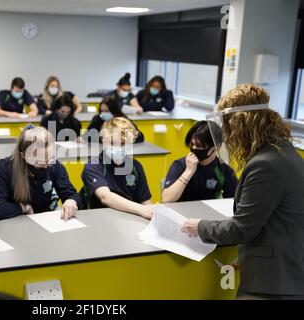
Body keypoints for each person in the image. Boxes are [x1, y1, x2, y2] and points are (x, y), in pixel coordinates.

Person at [182, 84, 304, 299]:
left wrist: (200, 227)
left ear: (240, 125)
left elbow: (242, 229)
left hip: (273, 284)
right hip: (284, 271)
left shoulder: (266, 165)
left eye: (226, 127)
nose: (226, 136)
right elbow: (273, 219)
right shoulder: (283, 152)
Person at [0, 126, 81, 220]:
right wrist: (24, 208)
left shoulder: (54, 164)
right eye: (39, 162)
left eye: (49, 159)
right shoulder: (5, 167)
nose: (46, 166)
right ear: (23, 156)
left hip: (46, 217)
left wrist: (71, 201)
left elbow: (70, 192)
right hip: (17, 219)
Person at [81, 117, 153, 219]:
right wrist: (142, 210)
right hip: (100, 219)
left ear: (131, 142)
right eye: (111, 143)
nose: (117, 147)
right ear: (103, 140)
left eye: (122, 143)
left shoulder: (136, 167)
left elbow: (145, 202)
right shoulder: (93, 165)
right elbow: (105, 197)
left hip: (131, 219)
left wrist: (152, 212)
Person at [162, 121, 238, 202]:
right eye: (192, 144)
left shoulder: (224, 171)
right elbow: (166, 199)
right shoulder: (180, 165)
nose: (194, 148)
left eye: (199, 145)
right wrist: (188, 171)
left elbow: (234, 202)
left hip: (209, 213)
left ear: (216, 146)